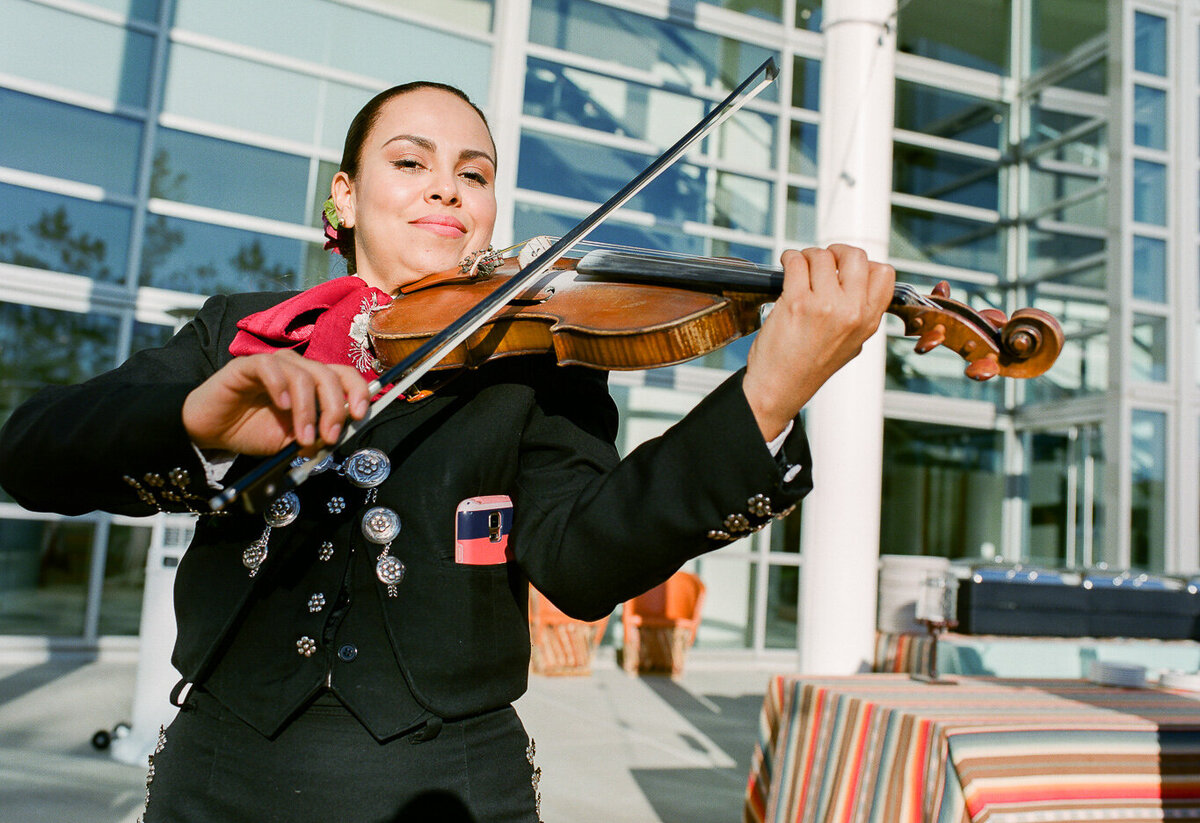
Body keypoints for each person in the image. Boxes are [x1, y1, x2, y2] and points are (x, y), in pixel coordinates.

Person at [0, 81, 894, 822]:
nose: (446, 188)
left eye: (474, 172)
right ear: (344, 196)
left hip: (450, 785)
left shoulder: (539, 363)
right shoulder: (241, 332)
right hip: (219, 780)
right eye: (411, 162)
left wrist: (766, 393)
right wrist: (195, 417)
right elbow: (31, 450)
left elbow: (584, 562)